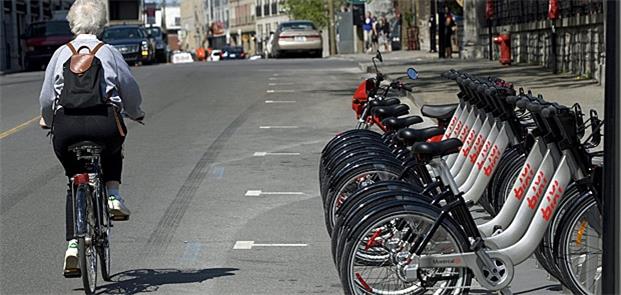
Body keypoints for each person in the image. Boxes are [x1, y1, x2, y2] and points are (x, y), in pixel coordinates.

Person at [38, 0, 145, 276]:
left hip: (66, 129)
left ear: (72, 24)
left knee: (74, 178)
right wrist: (135, 112)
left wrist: (48, 120)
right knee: (113, 146)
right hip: (103, 124)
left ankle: (73, 246)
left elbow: (47, 97)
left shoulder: (61, 53)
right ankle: (112, 194)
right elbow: (129, 90)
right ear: (101, 25)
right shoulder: (109, 52)